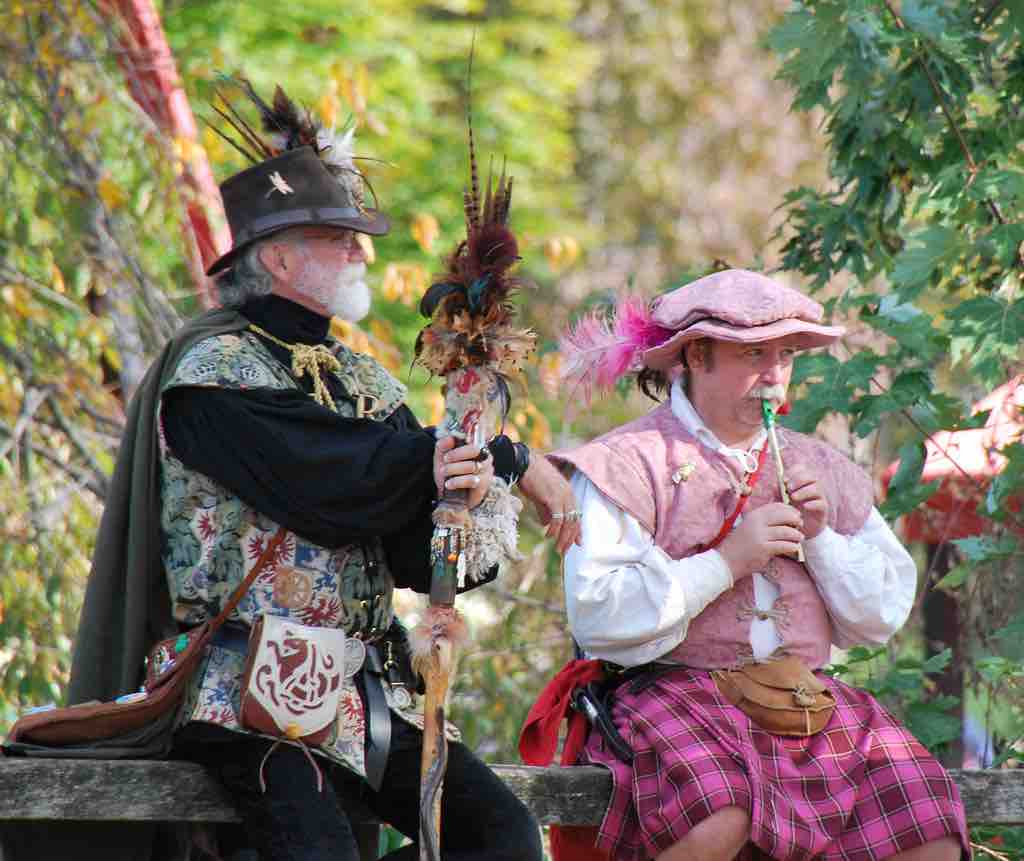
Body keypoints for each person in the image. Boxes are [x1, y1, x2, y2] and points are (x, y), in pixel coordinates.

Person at [63, 84, 579, 861]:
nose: (360, 252)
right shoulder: (210, 376)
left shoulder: (365, 382)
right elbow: (331, 483)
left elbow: (408, 550)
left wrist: (464, 499)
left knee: (502, 837)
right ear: (274, 256)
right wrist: (506, 457)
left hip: (366, 689)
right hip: (249, 687)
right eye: (337, 237)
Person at [525, 270, 969, 861]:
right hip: (673, 691)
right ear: (697, 355)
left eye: (785, 354)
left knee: (928, 824)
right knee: (719, 814)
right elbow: (600, 615)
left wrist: (821, 541)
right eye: (754, 353)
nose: (775, 373)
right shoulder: (624, 464)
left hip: (805, 698)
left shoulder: (821, 464)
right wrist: (728, 560)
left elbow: (879, 617)